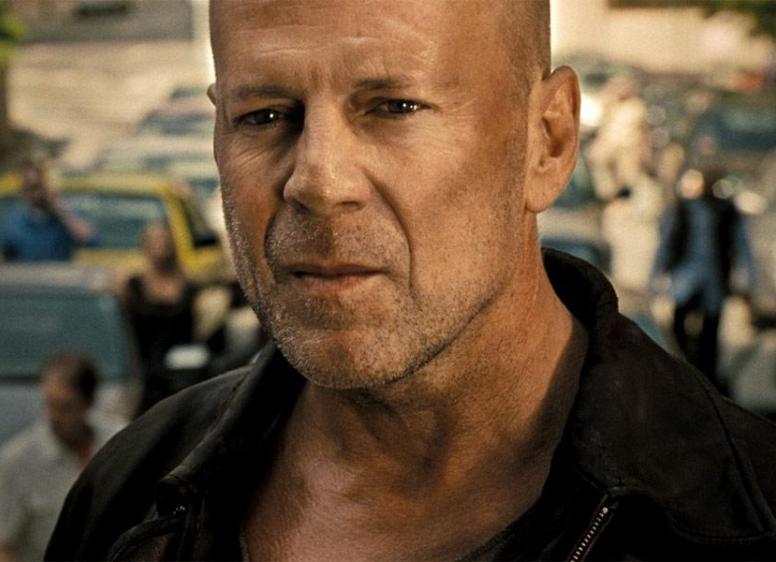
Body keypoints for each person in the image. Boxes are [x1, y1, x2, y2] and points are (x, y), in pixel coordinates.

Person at [47, 2, 776, 561]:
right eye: (264, 116)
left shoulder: (740, 514)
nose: (318, 182)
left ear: (549, 141)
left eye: (395, 109)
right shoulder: (128, 499)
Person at [0, 354, 121, 562]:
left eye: (65, 407)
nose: (54, 417)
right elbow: (4, 545)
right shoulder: (18, 461)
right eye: (49, 404)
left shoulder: (119, 443)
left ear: (88, 403)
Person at [651, 166, 756, 392]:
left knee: (710, 333)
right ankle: (685, 370)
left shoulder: (727, 211)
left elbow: (742, 246)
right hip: (686, 278)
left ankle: (705, 381)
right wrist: (657, 275)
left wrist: (747, 281)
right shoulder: (682, 209)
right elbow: (667, 243)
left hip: (714, 281)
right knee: (679, 325)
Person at [122, 222, 200, 414]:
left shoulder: (189, 288)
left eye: (165, 239)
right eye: (155, 239)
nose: (161, 244)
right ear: (145, 246)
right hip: (143, 376)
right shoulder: (132, 287)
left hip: (182, 377)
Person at [1, 159, 98, 262]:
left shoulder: (66, 219)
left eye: (41, 187)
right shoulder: (14, 224)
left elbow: (91, 240)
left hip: (59, 272)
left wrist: (58, 207)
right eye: (31, 188)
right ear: (23, 192)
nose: (37, 194)